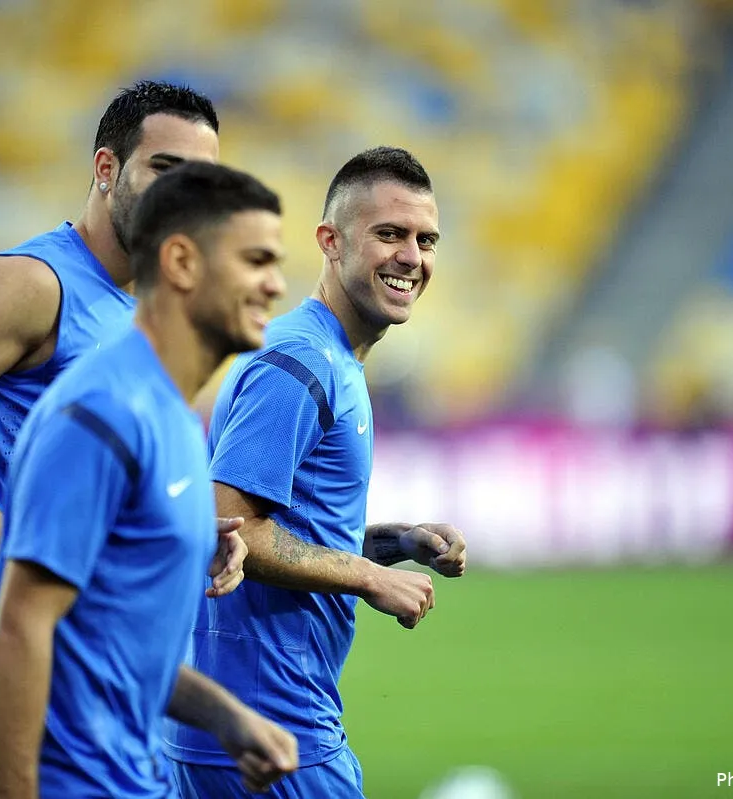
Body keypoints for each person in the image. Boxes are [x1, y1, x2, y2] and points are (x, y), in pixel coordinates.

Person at [0, 80, 247, 799]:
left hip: (53, 653)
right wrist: (19, 548)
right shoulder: (32, 283)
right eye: (165, 170)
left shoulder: (139, 312)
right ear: (106, 168)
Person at [0, 161, 297, 798]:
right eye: (256, 261)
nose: (276, 285)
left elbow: (116, 643)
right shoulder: (101, 413)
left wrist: (228, 718)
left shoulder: (174, 416)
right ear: (182, 262)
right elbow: (21, 627)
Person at [164, 147, 468, 798]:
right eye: (390, 234)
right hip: (274, 727)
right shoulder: (300, 363)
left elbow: (289, 527)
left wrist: (397, 541)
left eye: (426, 240)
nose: (411, 257)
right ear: (331, 241)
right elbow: (229, 530)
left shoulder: (327, 357)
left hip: (249, 725)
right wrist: (369, 576)